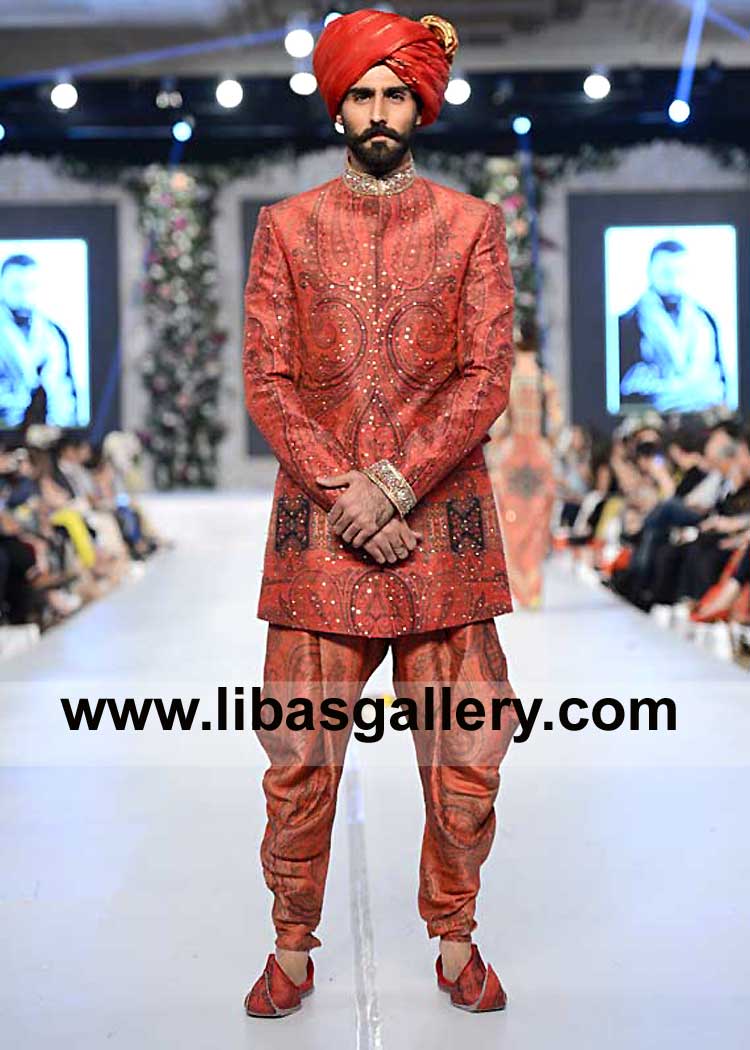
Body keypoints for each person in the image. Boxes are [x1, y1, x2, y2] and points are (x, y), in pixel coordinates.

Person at [241, 7, 521, 1018]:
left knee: (470, 756)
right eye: (359, 92)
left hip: (439, 532)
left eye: (393, 92)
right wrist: (345, 491)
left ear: (419, 104)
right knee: (297, 759)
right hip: (320, 538)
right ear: (337, 102)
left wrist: (395, 484)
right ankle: (289, 946)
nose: (376, 110)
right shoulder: (286, 227)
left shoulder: (469, 227)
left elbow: (487, 376)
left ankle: (455, 942)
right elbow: (266, 378)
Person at [484, 320, 563, 608]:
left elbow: (502, 422)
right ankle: (534, 587)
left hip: (514, 454)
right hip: (539, 455)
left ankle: (522, 588)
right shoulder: (545, 380)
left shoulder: (512, 379)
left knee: (514, 519)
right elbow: (557, 423)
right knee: (537, 521)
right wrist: (549, 445)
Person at [618, 240, 727, 413]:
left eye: (680, 272)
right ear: (650, 271)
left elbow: (718, 387)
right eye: (666, 273)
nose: (674, 280)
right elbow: (629, 389)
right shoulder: (627, 324)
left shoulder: (705, 321)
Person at [0, 254, 78, 428]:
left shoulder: (53, 335)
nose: (25, 295)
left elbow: (63, 391)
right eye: (17, 288)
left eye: (31, 287)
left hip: (50, 434)